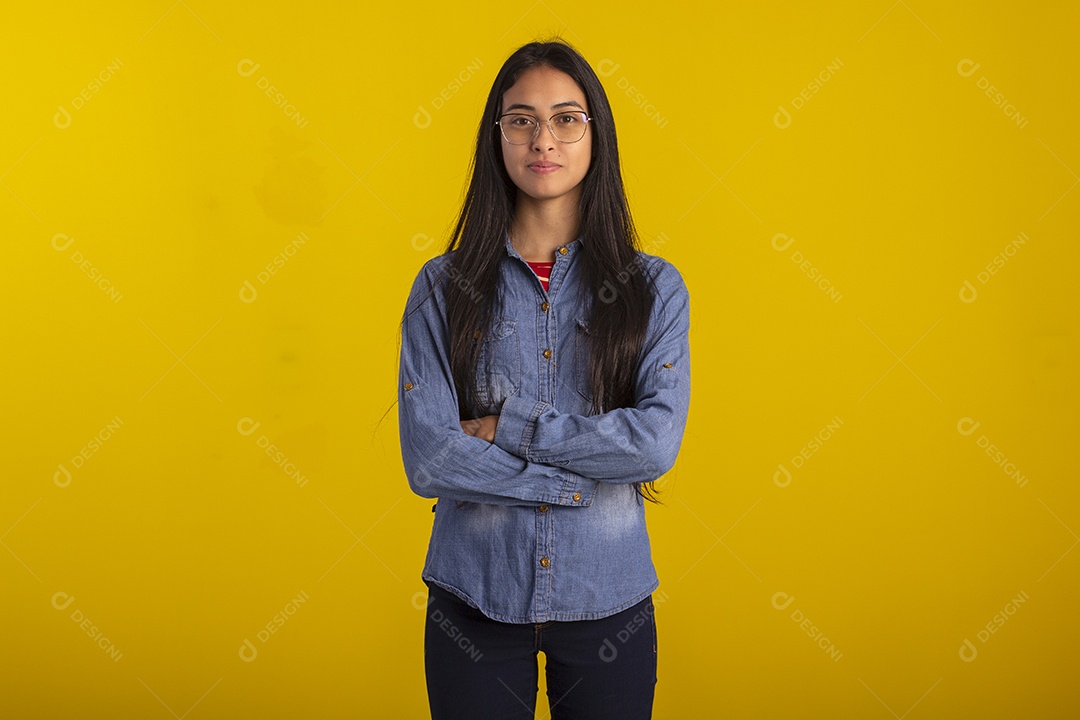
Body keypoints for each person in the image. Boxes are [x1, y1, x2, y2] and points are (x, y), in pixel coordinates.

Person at [397, 38, 691, 720]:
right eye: (520, 119)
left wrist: (508, 429)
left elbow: (652, 445)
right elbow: (431, 455)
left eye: (566, 118)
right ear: (496, 136)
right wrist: (570, 482)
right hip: (473, 599)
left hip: (607, 601)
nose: (543, 139)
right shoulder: (442, 288)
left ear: (597, 136)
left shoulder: (653, 289)